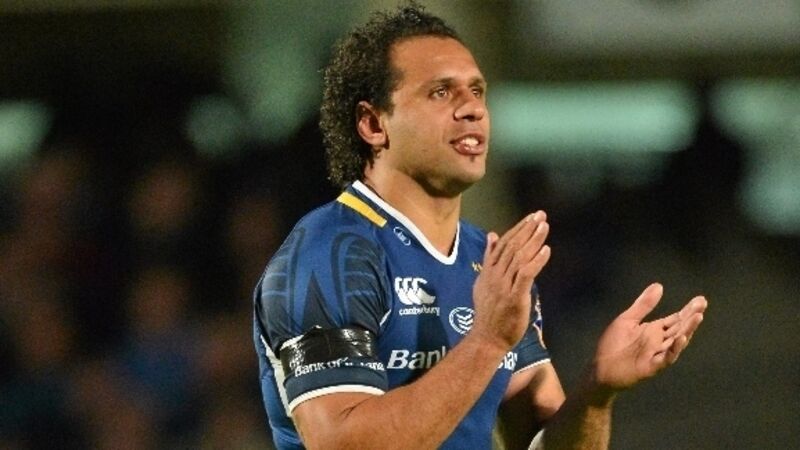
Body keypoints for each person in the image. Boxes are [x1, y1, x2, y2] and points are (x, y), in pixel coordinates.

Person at [252, 4, 708, 449]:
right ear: (373, 124)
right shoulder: (328, 254)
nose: (472, 109)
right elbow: (341, 444)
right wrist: (487, 340)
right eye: (441, 92)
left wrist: (597, 391)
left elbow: (540, 441)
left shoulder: (487, 260)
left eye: (477, 91)